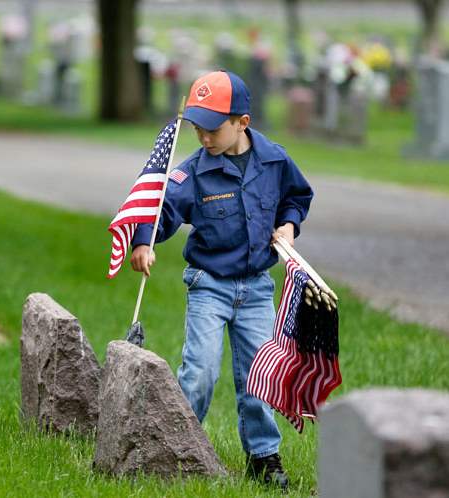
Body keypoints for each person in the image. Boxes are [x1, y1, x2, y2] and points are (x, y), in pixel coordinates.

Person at [130, 70, 313, 491]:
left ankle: (263, 456)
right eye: (197, 128)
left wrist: (287, 225)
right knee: (200, 371)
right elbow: (163, 209)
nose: (204, 137)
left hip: (256, 289)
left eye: (212, 129)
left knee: (259, 377)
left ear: (241, 123)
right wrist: (145, 241)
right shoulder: (194, 171)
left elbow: (297, 197)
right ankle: (176, 446)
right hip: (209, 285)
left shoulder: (275, 160)